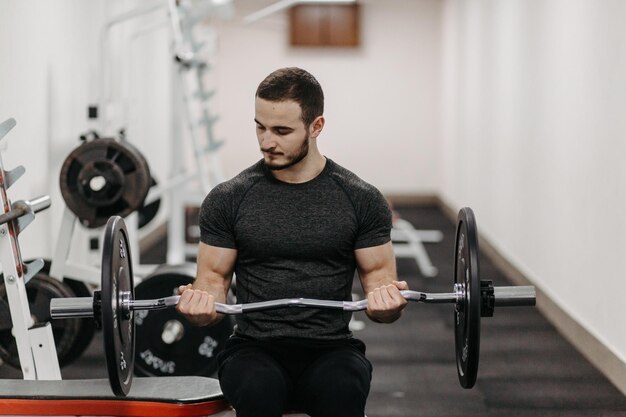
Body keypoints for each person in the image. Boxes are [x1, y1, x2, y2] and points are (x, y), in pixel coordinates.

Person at [176, 67, 408, 417]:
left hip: (331, 347)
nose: (267, 141)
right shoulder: (228, 199)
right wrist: (200, 306)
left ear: (316, 127)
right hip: (253, 347)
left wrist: (387, 304)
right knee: (258, 390)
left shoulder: (360, 198)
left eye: (282, 131)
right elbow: (213, 282)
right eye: (260, 126)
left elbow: (379, 281)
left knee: (345, 388)